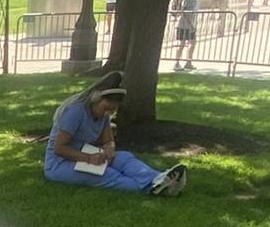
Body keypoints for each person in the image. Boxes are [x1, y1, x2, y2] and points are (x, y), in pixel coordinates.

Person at [43, 73, 186, 196]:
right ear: (96, 99)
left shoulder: (103, 115)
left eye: (111, 111)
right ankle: (153, 188)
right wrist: (88, 158)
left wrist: (109, 148)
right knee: (109, 174)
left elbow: (108, 140)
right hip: (60, 164)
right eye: (105, 108)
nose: (107, 114)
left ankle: (159, 179)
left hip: (88, 156)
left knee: (125, 158)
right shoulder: (76, 112)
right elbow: (59, 148)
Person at [173, 0, 200, 72]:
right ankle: (176, 63)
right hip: (184, 25)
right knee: (182, 43)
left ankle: (188, 62)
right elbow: (183, 11)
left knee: (193, 43)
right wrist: (189, 23)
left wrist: (194, 24)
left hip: (193, 25)